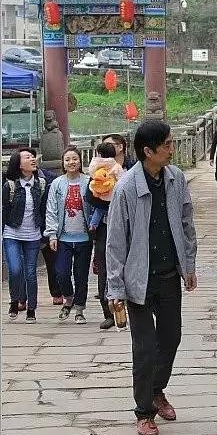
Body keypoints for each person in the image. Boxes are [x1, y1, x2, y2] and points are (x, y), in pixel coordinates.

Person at [106, 119, 197, 435]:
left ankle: (157, 390)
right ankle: (144, 411)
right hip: (138, 280)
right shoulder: (126, 188)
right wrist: (115, 287)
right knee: (144, 348)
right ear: (148, 151)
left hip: (169, 274)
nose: (172, 149)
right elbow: (115, 241)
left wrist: (189, 265)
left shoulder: (176, 178)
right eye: (167, 144)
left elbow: (186, 222)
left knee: (171, 338)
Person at [89, 134, 133, 327]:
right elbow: (89, 196)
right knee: (104, 267)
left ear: (121, 147)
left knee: (130, 265)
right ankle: (108, 312)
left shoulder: (132, 168)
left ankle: (131, 308)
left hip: (129, 224)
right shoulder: (98, 168)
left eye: (110, 145)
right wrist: (101, 194)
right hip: (105, 225)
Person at [45, 147, 93, 325]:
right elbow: (51, 209)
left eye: (74, 159)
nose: (71, 162)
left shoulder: (89, 182)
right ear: (63, 163)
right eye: (67, 160)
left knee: (81, 275)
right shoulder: (57, 183)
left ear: (80, 161)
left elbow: (95, 206)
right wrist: (52, 235)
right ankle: (69, 298)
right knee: (61, 272)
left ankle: (79, 309)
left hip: (84, 238)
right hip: (63, 238)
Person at [3, 148, 50, 322]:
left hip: (33, 235)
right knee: (15, 270)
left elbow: (44, 210)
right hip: (12, 233)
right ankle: (15, 300)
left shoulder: (41, 184)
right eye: (27, 157)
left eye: (32, 156)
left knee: (30, 273)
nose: (32, 159)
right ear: (19, 163)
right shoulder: (10, 186)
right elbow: (3, 210)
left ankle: (31, 309)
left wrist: (46, 234)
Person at [88, 142, 124, 232]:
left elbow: (92, 174)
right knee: (112, 212)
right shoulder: (116, 166)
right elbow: (122, 180)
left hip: (98, 193)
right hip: (112, 195)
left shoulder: (96, 165)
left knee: (99, 210)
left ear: (100, 154)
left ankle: (93, 224)